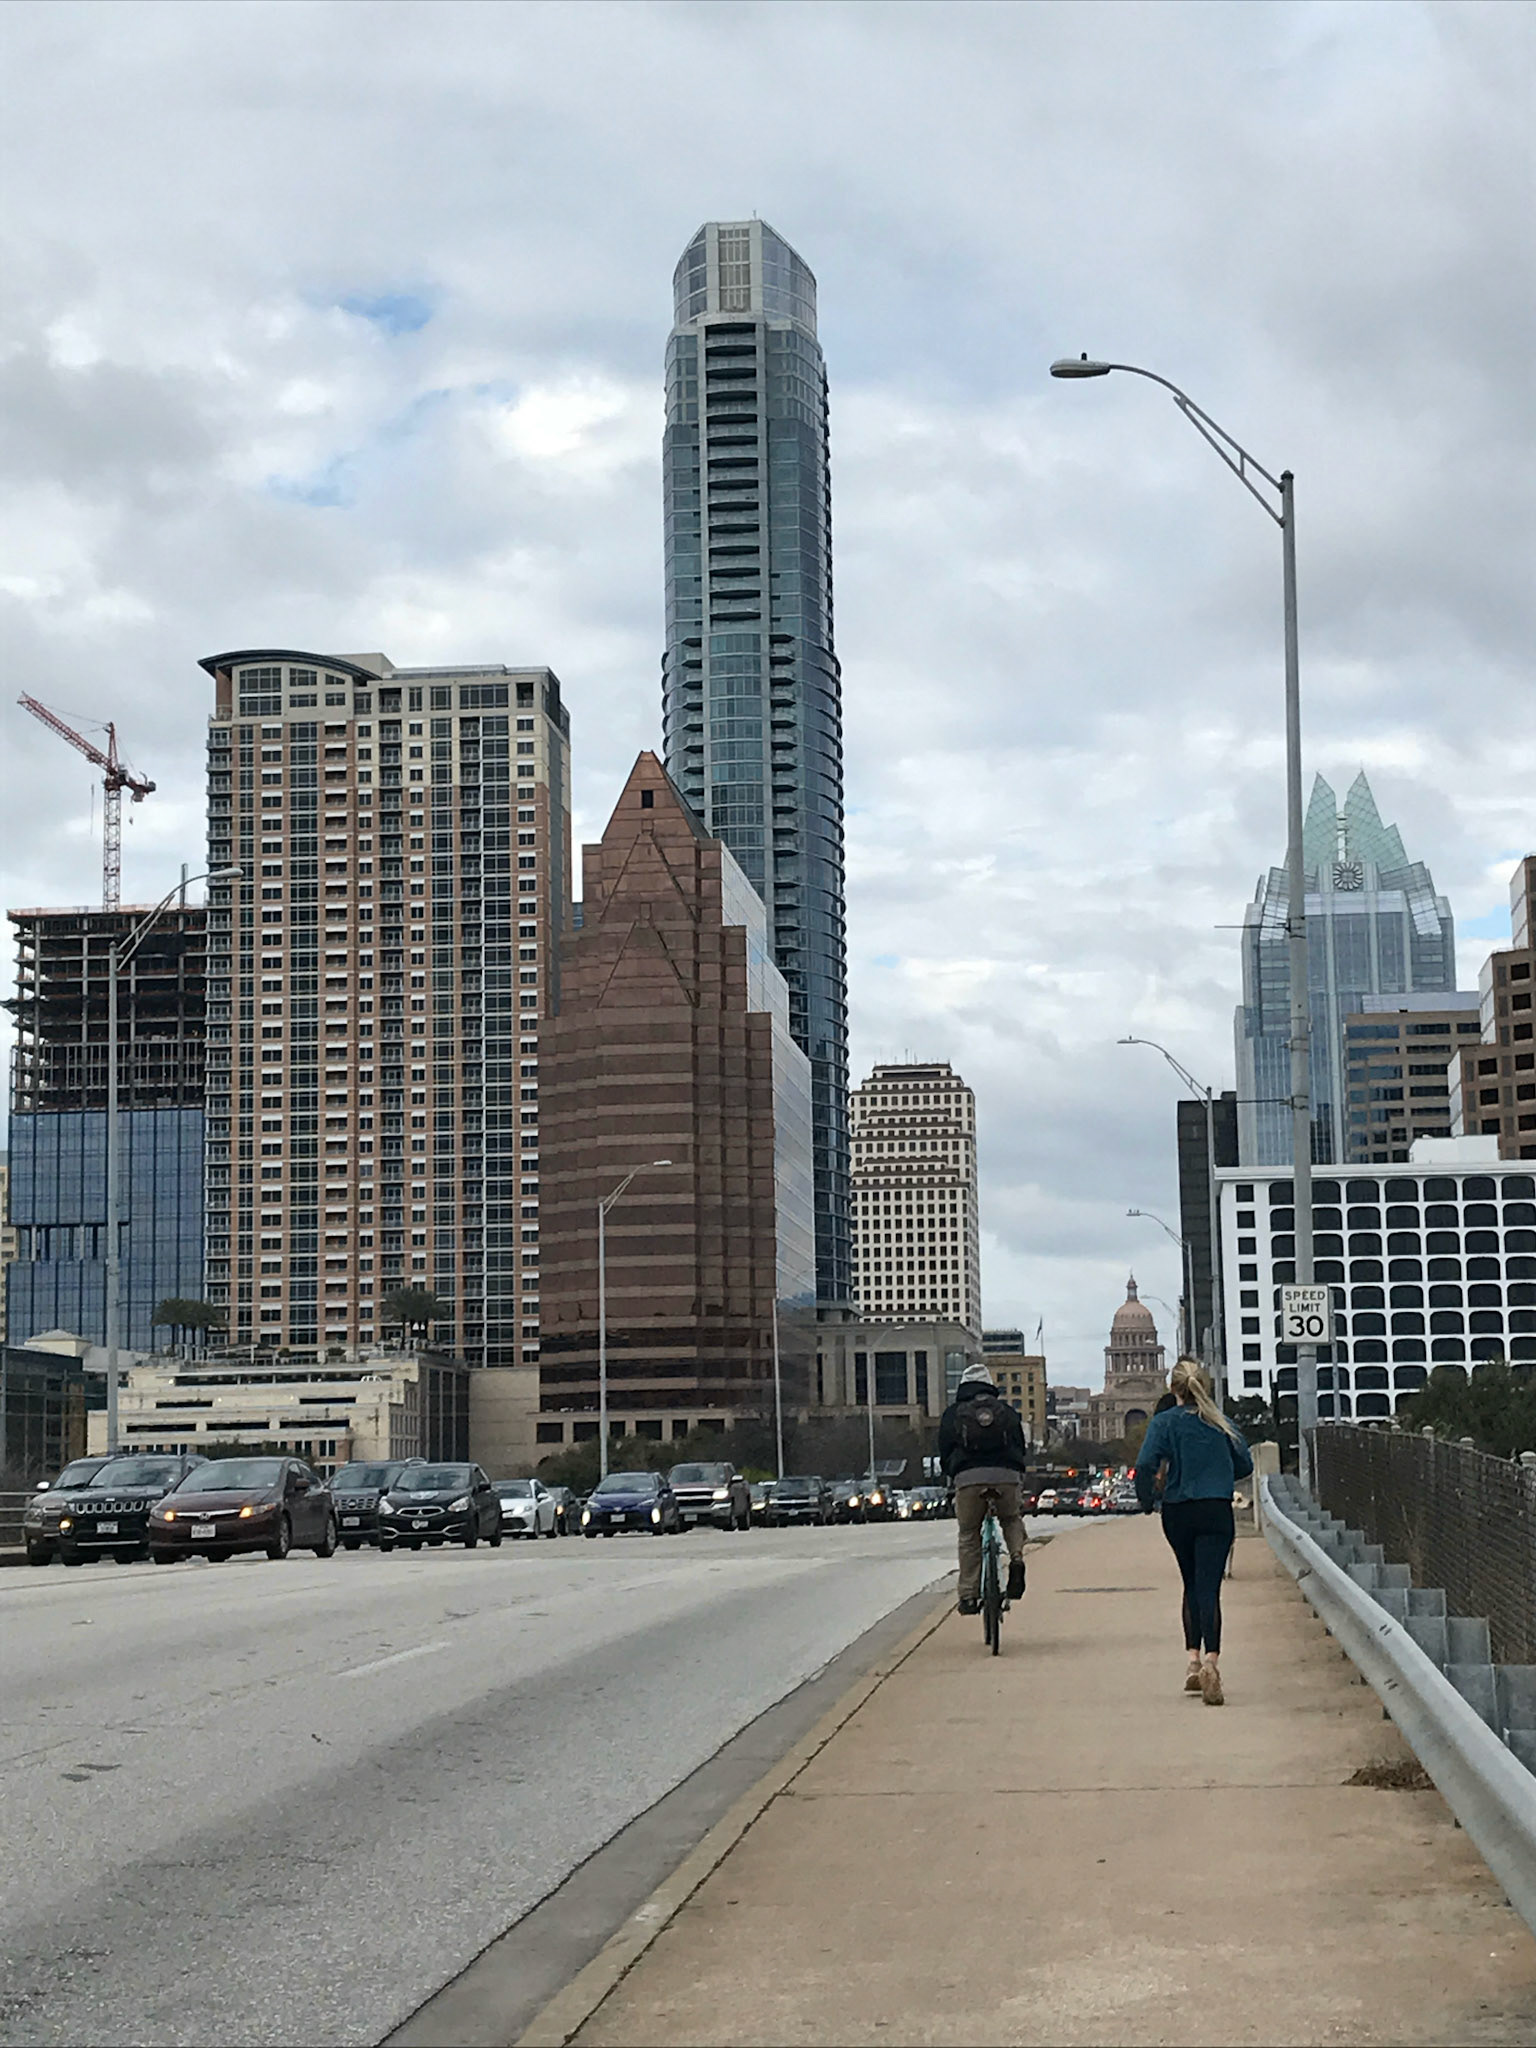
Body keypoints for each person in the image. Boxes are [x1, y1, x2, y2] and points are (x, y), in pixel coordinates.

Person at [1134, 1357, 1253, 1705]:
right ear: (1206, 1386)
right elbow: (1244, 1464)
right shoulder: (1221, 1422)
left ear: (1173, 1389)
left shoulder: (1164, 1423)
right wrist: (1216, 1473)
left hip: (1179, 1510)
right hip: (1215, 1509)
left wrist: (1147, 1500)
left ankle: (1192, 1661)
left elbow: (1145, 1464)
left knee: (1190, 1583)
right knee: (1209, 1587)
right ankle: (1212, 1662)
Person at [938, 1362, 1029, 1615]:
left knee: (969, 1534)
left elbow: (944, 1451)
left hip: (968, 1479)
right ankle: (1017, 1559)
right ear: (990, 1385)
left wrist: (953, 1473)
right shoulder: (1007, 1412)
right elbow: (1020, 1447)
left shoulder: (953, 1414)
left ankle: (968, 1595)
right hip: (1006, 1476)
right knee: (1011, 1519)